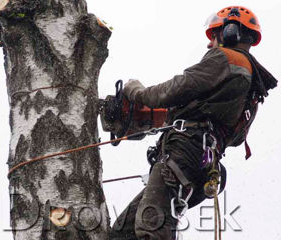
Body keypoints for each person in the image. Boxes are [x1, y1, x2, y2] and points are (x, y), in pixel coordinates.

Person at [109, 6, 277, 240]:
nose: (210, 44)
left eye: (214, 36)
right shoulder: (252, 86)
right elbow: (236, 138)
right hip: (204, 165)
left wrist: (136, 91)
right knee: (122, 233)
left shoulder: (225, 58)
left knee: (151, 229)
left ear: (230, 32)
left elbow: (174, 89)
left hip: (184, 154)